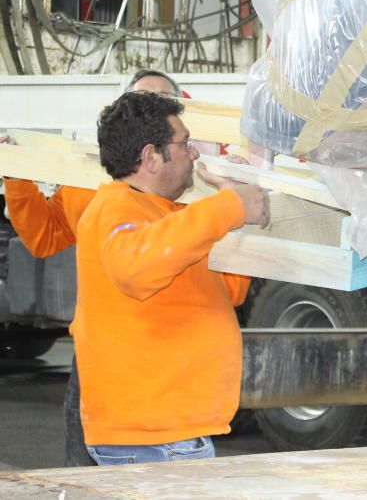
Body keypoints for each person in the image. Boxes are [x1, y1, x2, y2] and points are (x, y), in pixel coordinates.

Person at [73, 91, 268, 465]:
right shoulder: (116, 210)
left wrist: (236, 204)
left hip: (170, 433)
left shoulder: (167, 218)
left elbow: (227, 292)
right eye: (185, 143)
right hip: (149, 437)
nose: (194, 153)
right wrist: (226, 206)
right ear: (150, 157)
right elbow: (135, 269)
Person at [0, 70, 183, 466]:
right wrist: (17, 176)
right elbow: (45, 235)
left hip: (167, 362)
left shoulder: (193, 190)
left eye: (161, 110)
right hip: (97, 359)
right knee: (85, 476)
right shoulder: (90, 182)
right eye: (137, 108)